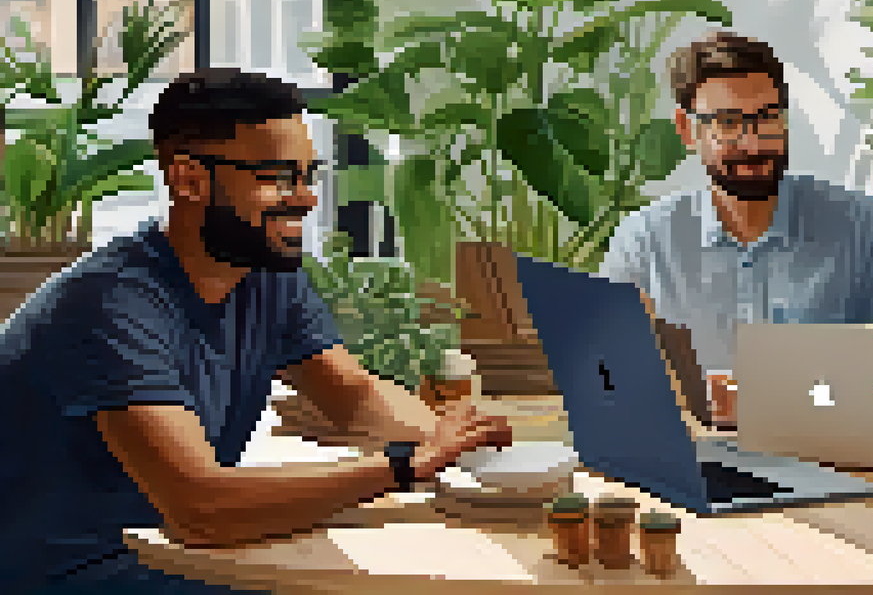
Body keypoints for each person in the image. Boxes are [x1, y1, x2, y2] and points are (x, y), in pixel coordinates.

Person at [0, 69, 514, 594]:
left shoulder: (266, 275)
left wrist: (461, 445)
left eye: (309, 175)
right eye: (277, 177)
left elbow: (353, 395)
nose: (306, 199)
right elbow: (200, 509)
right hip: (71, 575)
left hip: (167, 557)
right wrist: (405, 465)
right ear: (188, 180)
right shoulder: (110, 302)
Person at [600, 30, 873, 382]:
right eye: (727, 123)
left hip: (827, 436)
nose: (753, 142)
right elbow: (603, 372)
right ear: (687, 130)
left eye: (767, 116)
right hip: (685, 437)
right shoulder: (644, 243)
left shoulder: (871, 233)